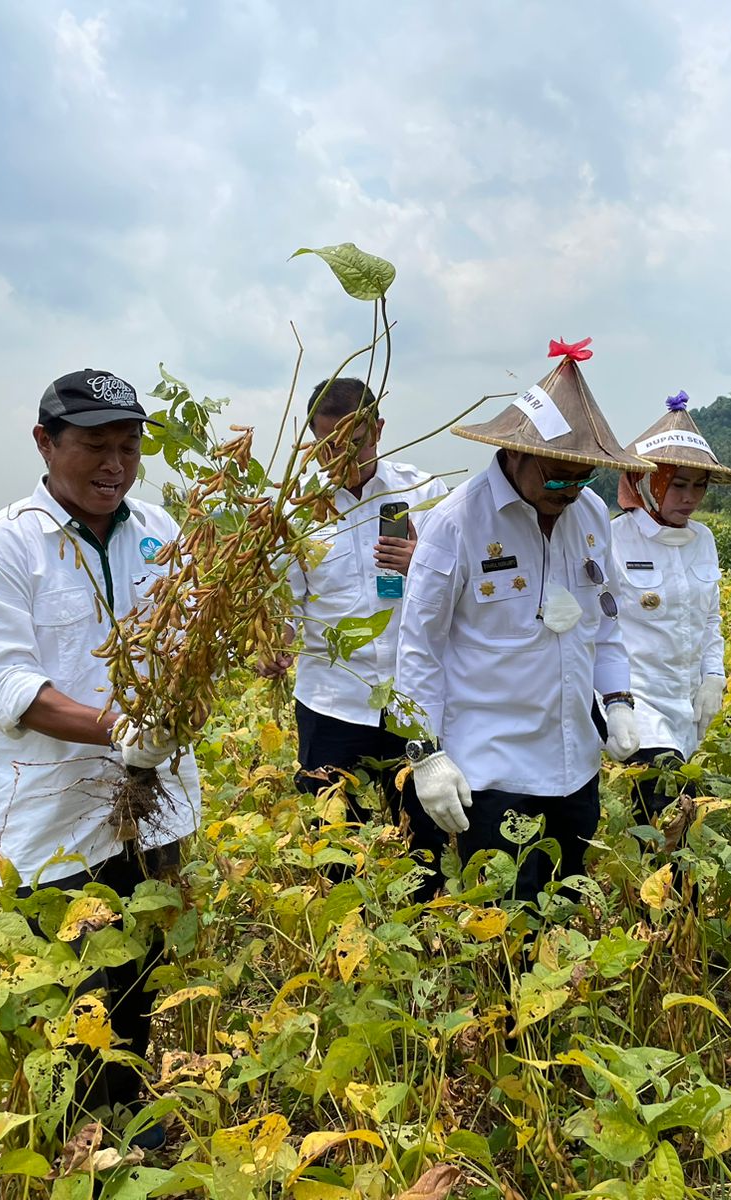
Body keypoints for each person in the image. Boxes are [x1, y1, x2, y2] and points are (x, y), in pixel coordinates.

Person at [0, 368, 201, 1144]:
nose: (115, 465)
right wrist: (123, 727)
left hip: (157, 814)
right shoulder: (1, 549)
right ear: (44, 444)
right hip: (55, 823)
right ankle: (84, 1148)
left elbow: (192, 640)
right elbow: (14, 689)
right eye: (95, 446)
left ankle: (130, 1132)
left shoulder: (162, 531)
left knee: (140, 987)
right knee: (79, 1003)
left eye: (128, 448)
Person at [396, 337, 654, 904]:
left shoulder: (589, 515)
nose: (569, 489)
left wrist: (618, 701)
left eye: (582, 476)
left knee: (564, 920)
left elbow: (604, 624)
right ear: (515, 453)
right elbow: (419, 648)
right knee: (505, 933)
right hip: (490, 771)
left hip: (575, 765)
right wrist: (426, 755)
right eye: (557, 475)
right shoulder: (456, 524)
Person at [260, 376, 449, 900]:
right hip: (331, 701)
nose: (341, 459)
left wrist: (423, 563)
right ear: (311, 441)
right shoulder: (295, 513)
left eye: (356, 443)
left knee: (425, 836)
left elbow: (469, 588)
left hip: (413, 696)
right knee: (335, 838)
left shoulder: (425, 493)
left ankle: (425, 928)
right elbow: (286, 605)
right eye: (328, 447)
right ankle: (352, 931)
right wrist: (274, 642)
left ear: (380, 431)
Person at [608, 390, 731, 827]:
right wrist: (614, 702)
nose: (689, 498)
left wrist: (714, 676)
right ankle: (666, 894)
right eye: (678, 484)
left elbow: (709, 619)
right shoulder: (612, 538)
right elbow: (598, 628)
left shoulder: (702, 540)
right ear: (649, 484)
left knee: (666, 818)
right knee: (668, 807)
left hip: (686, 698)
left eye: (698, 486)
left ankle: (655, 890)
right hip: (639, 698)